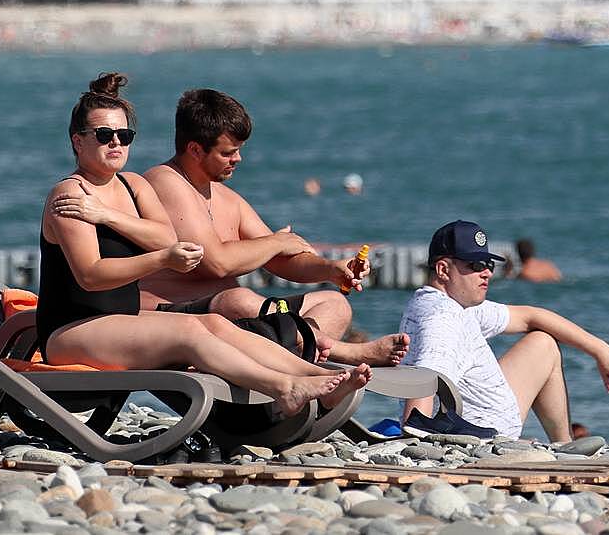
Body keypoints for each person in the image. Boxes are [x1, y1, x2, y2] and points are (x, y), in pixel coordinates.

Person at [38, 72, 371, 417]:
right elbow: (92, 275)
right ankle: (285, 388)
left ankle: (323, 377)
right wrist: (161, 259)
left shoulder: (132, 185)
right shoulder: (70, 196)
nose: (116, 144)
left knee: (213, 325)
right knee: (188, 331)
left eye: (124, 135)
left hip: (121, 321)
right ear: (78, 141)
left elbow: (166, 236)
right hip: (73, 332)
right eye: (104, 136)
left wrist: (108, 216)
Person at [142, 88, 409, 367]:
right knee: (239, 299)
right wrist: (277, 242)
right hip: (171, 317)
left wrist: (332, 269)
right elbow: (216, 263)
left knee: (335, 304)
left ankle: (297, 353)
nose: (238, 160)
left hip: (232, 322)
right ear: (195, 149)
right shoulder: (165, 182)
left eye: (239, 151)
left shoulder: (226, 199)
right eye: (228, 153)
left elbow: (281, 260)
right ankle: (344, 351)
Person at [400, 220, 609, 441]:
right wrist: (416, 437)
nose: (488, 273)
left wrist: (602, 351)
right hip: (485, 431)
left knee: (542, 340)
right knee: (544, 345)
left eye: (489, 265)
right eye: (476, 265)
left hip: (480, 418)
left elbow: (531, 316)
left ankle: (565, 446)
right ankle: (564, 445)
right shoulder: (442, 317)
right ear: (443, 270)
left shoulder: (448, 304)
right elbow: (425, 382)